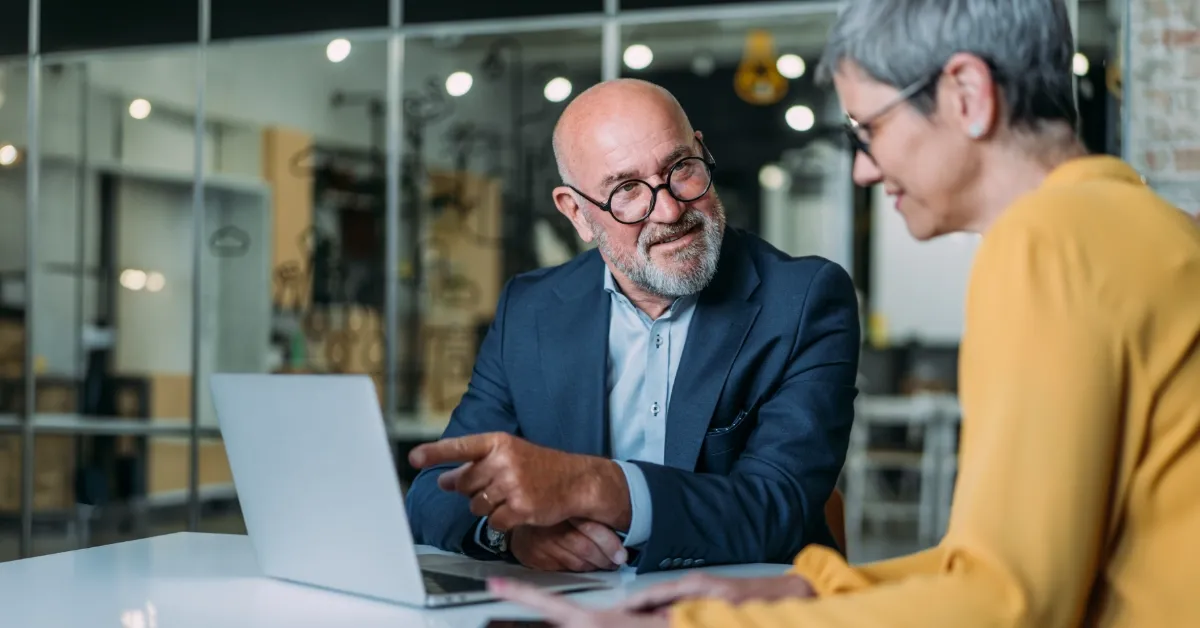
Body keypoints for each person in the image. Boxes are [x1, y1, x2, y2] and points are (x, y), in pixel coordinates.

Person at [486, 0, 1200, 626]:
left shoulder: (1044, 245)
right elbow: (996, 566)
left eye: (872, 126)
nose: (862, 167)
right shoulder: (1149, 227)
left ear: (966, 93)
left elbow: (1010, 605)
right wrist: (812, 587)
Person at [404, 78, 861, 575]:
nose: (669, 210)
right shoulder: (531, 309)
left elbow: (778, 507)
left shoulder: (804, 299)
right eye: (626, 190)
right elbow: (436, 490)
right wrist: (511, 533)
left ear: (703, 152)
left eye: (680, 169)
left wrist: (594, 486)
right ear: (576, 213)